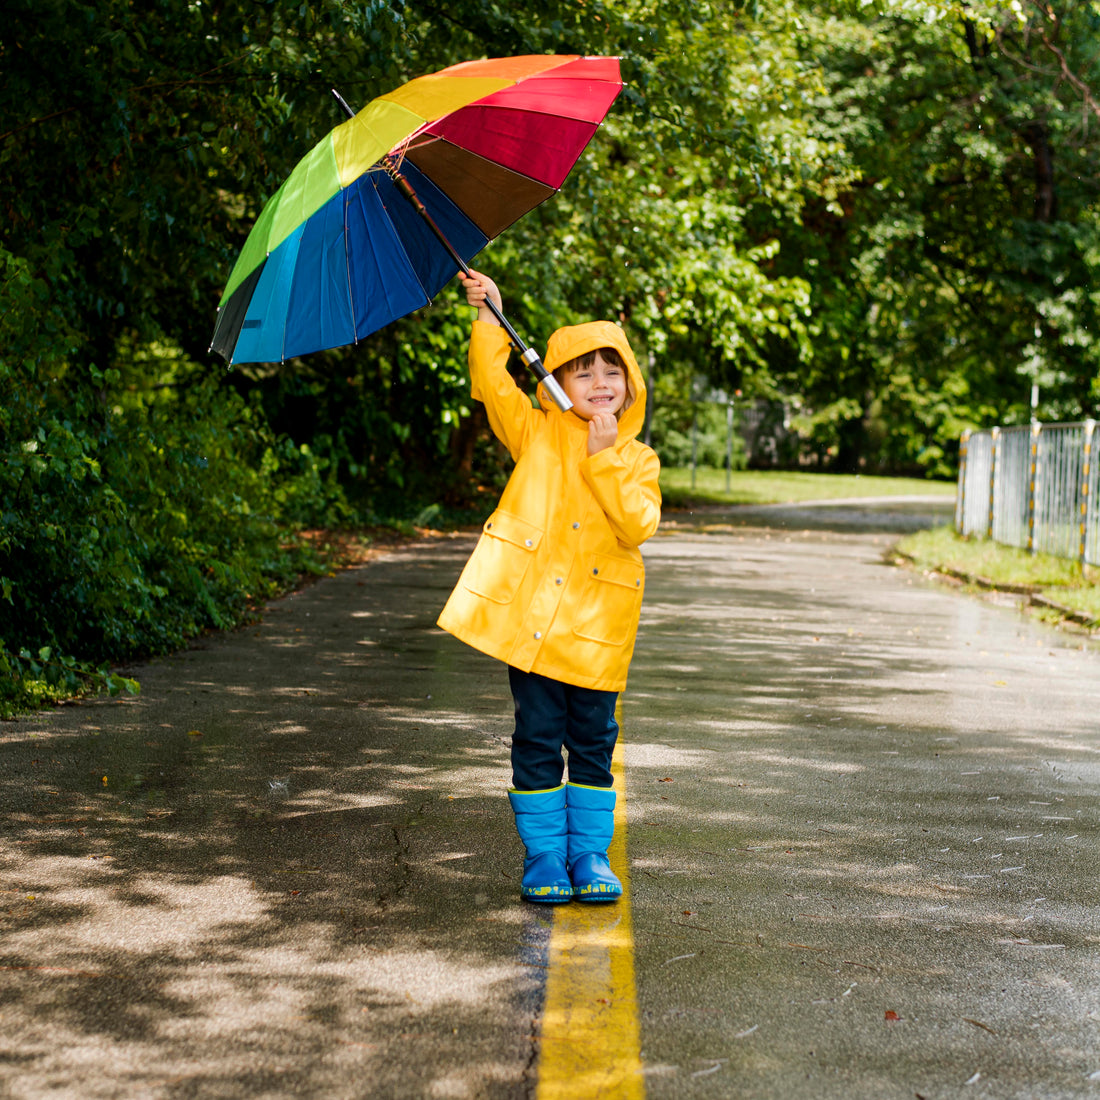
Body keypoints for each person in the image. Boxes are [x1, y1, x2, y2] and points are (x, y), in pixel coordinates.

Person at [437, 270, 661, 903]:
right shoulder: (535, 434)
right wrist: (490, 317)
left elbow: (638, 523)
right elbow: (492, 386)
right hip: (535, 629)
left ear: (629, 384)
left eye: (610, 372)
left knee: (594, 742)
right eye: (582, 372)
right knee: (536, 737)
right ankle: (542, 856)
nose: (598, 384)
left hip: (595, 635)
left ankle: (589, 856)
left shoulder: (637, 458)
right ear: (558, 383)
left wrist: (606, 456)